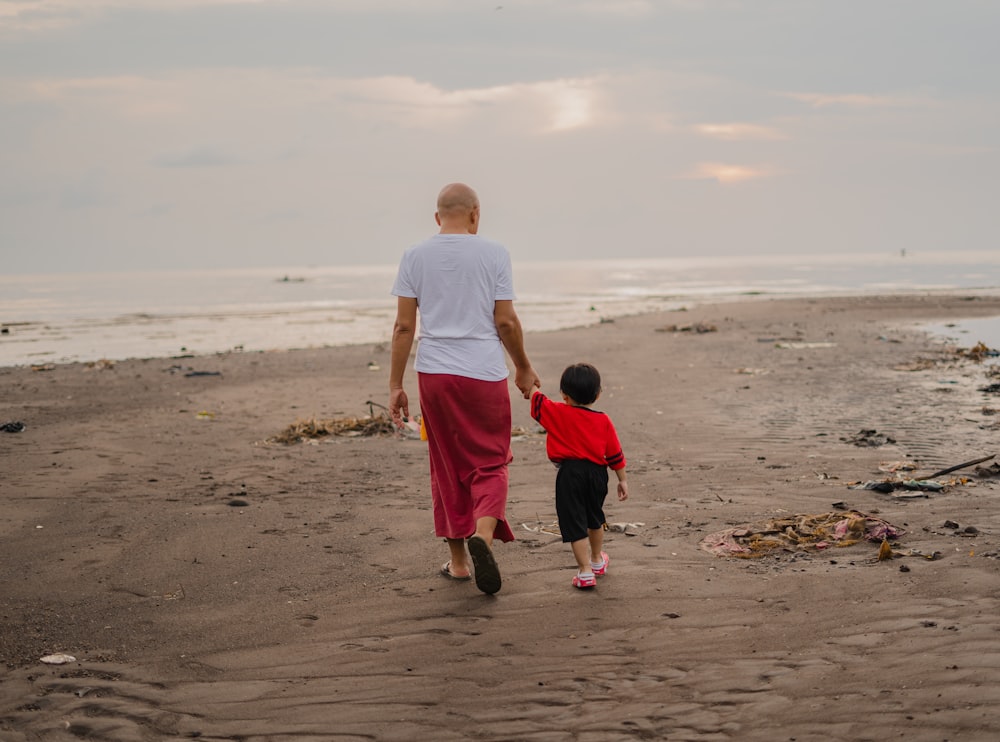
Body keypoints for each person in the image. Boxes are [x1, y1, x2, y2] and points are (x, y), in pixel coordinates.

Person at [389, 183, 540, 595]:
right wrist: (523, 368)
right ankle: (484, 538)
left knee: (446, 466)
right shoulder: (494, 253)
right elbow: (505, 322)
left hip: (434, 374)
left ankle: (458, 564)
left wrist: (395, 385)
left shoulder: (414, 255)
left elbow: (404, 327)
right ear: (476, 214)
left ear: (438, 218)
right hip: (483, 373)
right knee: (490, 463)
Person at [529, 362, 629, 589]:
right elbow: (614, 453)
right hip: (597, 474)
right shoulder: (603, 420)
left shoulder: (557, 412)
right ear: (598, 394)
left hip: (570, 474)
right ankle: (596, 561)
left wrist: (532, 384)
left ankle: (584, 572)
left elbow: (537, 402)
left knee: (574, 521)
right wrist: (622, 479)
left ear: (564, 395)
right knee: (595, 517)